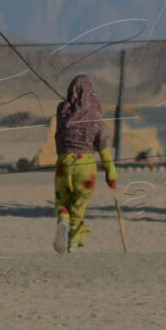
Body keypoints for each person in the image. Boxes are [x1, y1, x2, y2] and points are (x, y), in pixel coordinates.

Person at [51, 75, 119, 254]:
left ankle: (63, 221)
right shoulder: (96, 117)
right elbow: (104, 149)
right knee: (79, 204)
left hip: (63, 164)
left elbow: (59, 133)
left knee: (62, 201)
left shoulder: (62, 110)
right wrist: (111, 175)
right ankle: (74, 240)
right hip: (86, 166)